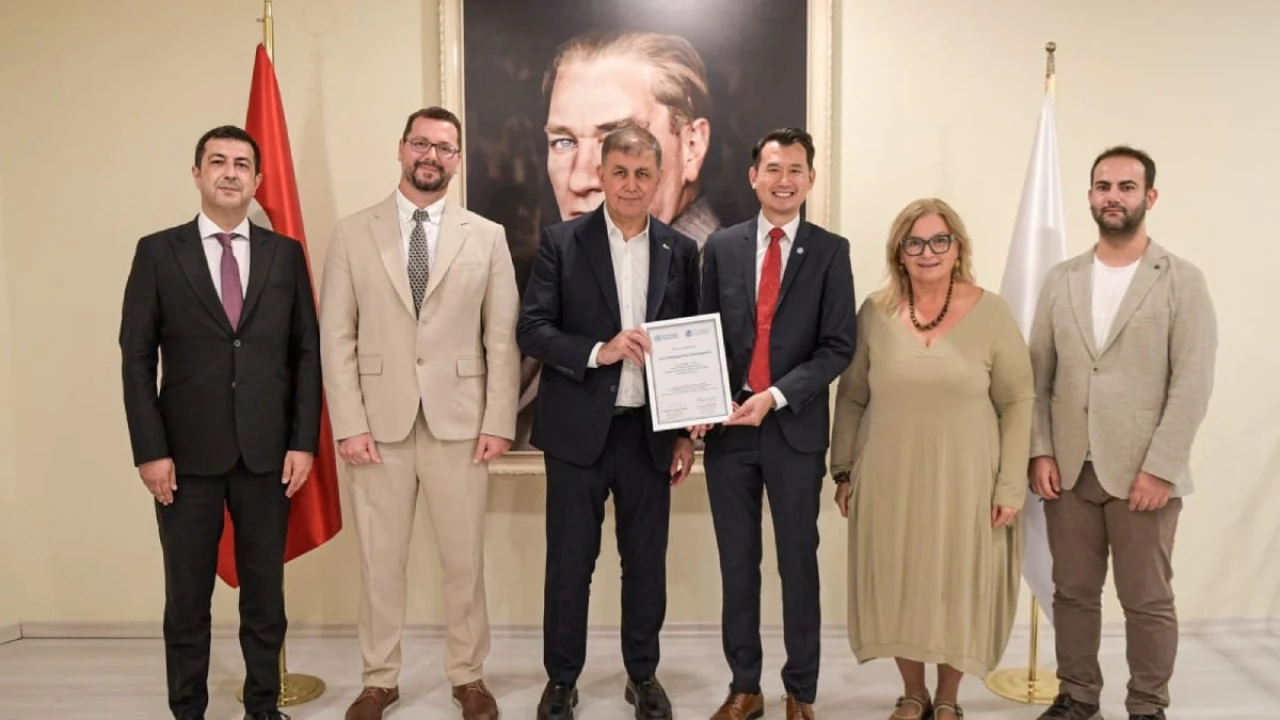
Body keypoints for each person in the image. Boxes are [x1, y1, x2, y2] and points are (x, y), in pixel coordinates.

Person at [319, 106, 520, 720]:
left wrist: (498, 420)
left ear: (457, 160)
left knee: (464, 562)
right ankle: (379, 679)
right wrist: (349, 424)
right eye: (421, 144)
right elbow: (337, 337)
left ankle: (468, 676)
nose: (431, 156)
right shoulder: (353, 233)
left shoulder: (486, 236)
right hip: (377, 428)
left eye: (445, 148)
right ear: (401, 148)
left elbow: (501, 338)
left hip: (461, 425)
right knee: (380, 563)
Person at [119, 125, 320, 720]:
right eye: (217, 162)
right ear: (197, 174)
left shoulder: (285, 254)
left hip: (267, 457)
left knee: (265, 600)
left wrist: (303, 442)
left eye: (241, 164)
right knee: (187, 602)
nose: (230, 172)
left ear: (257, 180)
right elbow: (136, 358)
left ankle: (263, 707)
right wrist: (150, 451)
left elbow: (306, 354)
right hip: (184, 461)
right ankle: (188, 710)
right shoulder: (158, 253)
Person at [517, 124, 700, 720]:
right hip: (576, 435)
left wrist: (685, 432)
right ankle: (562, 680)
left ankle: (642, 675)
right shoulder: (561, 242)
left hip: (648, 435)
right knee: (570, 565)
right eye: (619, 172)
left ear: (659, 178)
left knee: (645, 566)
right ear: (602, 174)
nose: (630, 184)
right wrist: (601, 351)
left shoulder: (681, 251)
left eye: (643, 174)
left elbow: (690, 343)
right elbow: (533, 330)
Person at [1029, 146, 1217, 720]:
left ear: (1149, 197)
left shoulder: (1182, 280)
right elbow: (1037, 376)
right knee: (1072, 593)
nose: (1113, 196)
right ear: (1090, 195)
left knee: (1147, 599)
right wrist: (1040, 451)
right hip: (1069, 470)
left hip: (1143, 474)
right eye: (1103, 186)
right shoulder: (1062, 279)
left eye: (1126, 187)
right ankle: (1077, 696)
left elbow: (1192, 382)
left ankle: (1147, 705)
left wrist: (1160, 467)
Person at [829, 198, 1034, 720]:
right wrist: (843, 469)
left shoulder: (992, 312)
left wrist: (1011, 485)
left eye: (939, 240)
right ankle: (913, 693)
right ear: (899, 252)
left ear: (958, 247)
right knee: (901, 582)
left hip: (968, 478)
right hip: (889, 474)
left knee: (955, 585)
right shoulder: (874, 313)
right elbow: (851, 396)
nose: (928, 252)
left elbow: (1018, 400)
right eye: (915, 242)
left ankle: (947, 697)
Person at [692, 128, 855, 720]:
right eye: (773, 168)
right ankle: (745, 686)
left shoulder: (830, 251)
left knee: (798, 565)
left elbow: (838, 347)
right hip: (730, 432)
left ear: (810, 178)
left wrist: (777, 396)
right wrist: (699, 405)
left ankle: (800, 692)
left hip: (794, 431)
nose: (783, 180)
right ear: (753, 176)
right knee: (737, 564)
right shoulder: (722, 247)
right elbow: (703, 335)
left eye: (795, 170)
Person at [515, 30, 725, 450]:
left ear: (691, 146)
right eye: (563, 141)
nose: (582, 177)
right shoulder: (559, 255)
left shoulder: (712, 268)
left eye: (619, 137)